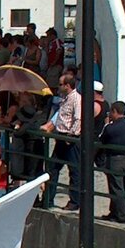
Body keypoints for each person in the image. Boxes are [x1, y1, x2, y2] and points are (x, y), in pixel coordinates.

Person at [42, 73, 82, 211]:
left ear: (67, 85)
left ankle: (75, 201)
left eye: (61, 84)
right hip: (60, 137)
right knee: (52, 168)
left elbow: (78, 118)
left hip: (69, 139)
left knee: (74, 170)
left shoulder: (76, 99)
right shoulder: (65, 99)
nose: (58, 87)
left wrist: (71, 135)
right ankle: (48, 198)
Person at [98, 101, 125, 224]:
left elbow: (103, 139)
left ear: (114, 112)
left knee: (116, 188)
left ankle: (122, 216)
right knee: (121, 187)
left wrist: (106, 125)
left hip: (115, 160)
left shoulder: (111, 128)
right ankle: (114, 212)